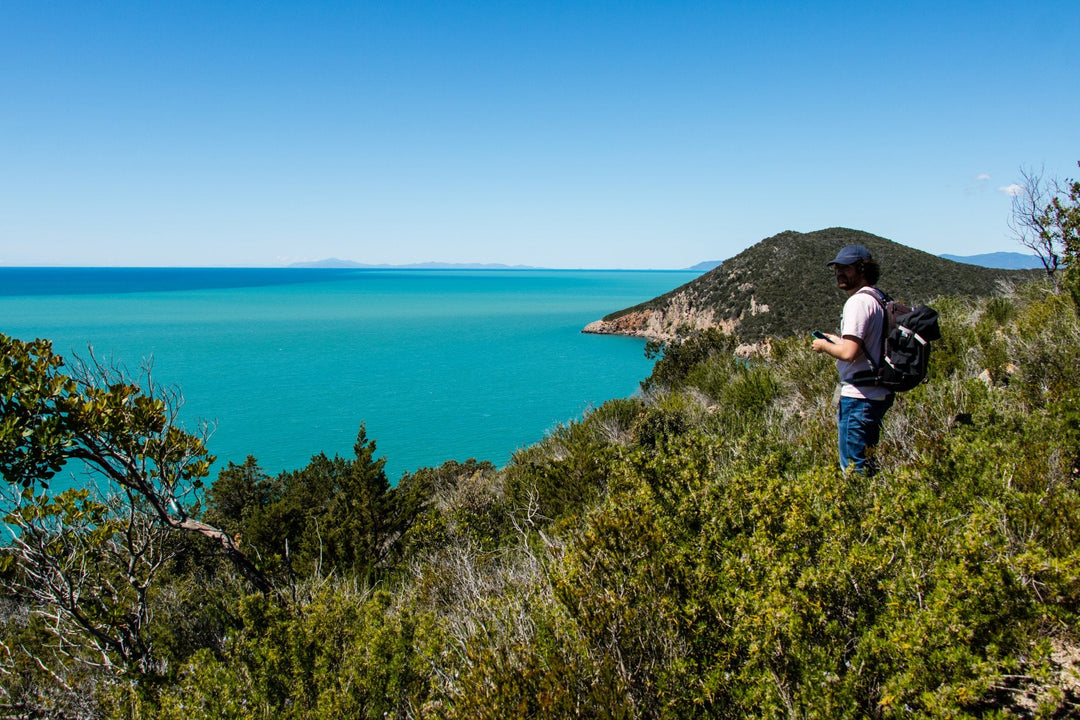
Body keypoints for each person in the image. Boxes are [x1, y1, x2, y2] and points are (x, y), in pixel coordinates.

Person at [811, 244, 893, 473]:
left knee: (854, 468)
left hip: (859, 397)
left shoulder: (857, 302)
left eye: (846, 268)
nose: (839, 273)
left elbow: (849, 353)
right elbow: (864, 346)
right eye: (837, 268)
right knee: (868, 462)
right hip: (877, 392)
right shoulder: (877, 298)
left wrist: (824, 346)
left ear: (862, 269)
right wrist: (837, 340)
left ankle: (859, 496)